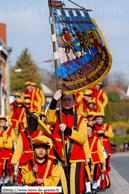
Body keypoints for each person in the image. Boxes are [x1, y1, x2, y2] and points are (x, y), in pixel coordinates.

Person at [46, 89, 87, 194]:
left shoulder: (81, 119)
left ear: (74, 101)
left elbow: (82, 139)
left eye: (69, 99)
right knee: (61, 189)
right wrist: (54, 99)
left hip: (76, 157)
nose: (67, 102)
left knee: (75, 190)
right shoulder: (56, 115)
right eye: (64, 100)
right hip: (58, 157)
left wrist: (68, 130)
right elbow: (49, 120)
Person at [93, 112, 114, 189]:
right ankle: (98, 184)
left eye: (99, 119)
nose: (98, 120)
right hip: (96, 150)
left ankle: (105, 183)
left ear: (102, 119)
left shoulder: (107, 126)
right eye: (97, 119)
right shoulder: (92, 127)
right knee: (98, 167)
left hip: (106, 150)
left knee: (106, 166)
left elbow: (111, 135)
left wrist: (104, 132)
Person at [87, 124, 106, 194]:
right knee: (87, 175)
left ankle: (94, 187)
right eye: (86, 130)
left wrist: (103, 160)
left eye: (89, 130)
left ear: (92, 131)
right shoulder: (83, 139)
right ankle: (88, 190)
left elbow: (100, 151)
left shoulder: (96, 139)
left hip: (95, 159)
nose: (88, 131)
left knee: (95, 175)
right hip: (86, 160)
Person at [0, 117, 16, 186]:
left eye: (3, 121)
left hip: (7, 151)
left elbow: (14, 138)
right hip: (0, 151)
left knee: (7, 166)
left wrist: (6, 136)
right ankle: (1, 181)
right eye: (1, 121)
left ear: (5, 122)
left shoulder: (10, 129)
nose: (2, 122)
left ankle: (6, 180)